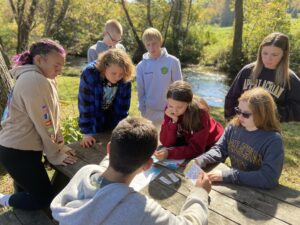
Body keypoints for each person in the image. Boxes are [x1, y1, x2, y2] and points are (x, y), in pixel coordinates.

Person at [51, 117, 211, 225]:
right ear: (148, 165)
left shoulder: (85, 173)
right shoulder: (141, 209)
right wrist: (200, 193)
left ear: (108, 149)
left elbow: (103, 168)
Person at [0, 39, 77, 210]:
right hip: (18, 151)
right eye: (56, 65)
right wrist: (55, 154)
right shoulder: (34, 80)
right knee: (43, 199)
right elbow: (45, 123)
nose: (59, 70)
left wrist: (60, 146)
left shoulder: (37, 77)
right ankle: (3, 199)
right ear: (40, 60)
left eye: (61, 66)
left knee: (28, 190)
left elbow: (51, 119)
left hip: (19, 149)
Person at [195, 87, 284, 189]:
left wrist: (227, 175)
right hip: (236, 187)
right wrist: (202, 159)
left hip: (258, 193)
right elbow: (220, 149)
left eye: (246, 114)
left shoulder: (273, 141)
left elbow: (268, 178)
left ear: (262, 114)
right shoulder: (233, 127)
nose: (239, 117)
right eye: (238, 110)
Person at [225, 32, 300, 122]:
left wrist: (271, 114)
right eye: (265, 53)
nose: (268, 59)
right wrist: (232, 120)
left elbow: (297, 108)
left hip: (267, 129)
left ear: (284, 55)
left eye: (274, 55)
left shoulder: (290, 79)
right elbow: (231, 98)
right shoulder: (248, 71)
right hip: (241, 124)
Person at [78, 48, 134, 148]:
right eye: (114, 73)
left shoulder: (125, 78)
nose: (117, 78)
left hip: (112, 118)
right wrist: (87, 133)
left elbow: (122, 108)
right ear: (105, 66)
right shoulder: (89, 74)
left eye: (120, 74)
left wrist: (120, 129)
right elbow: (86, 105)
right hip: (95, 118)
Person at [154, 81, 224, 161]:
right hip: (188, 139)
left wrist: (170, 153)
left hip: (212, 143)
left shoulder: (200, 114)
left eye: (179, 107)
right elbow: (166, 142)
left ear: (188, 103)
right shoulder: (170, 110)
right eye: (170, 105)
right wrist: (173, 123)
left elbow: (197, 149)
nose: (174, 111)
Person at [136, 27, 182, 127]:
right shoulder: (141, 66)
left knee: (167, 142)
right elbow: (140, 91)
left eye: (154, 44)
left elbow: (179, 88)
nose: (151, 48)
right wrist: (143, 110)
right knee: (149, 142)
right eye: (148, 45)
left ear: (160, 42)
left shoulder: (173, 62)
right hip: (148, 113)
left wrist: (176, 110)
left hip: (169, 112)